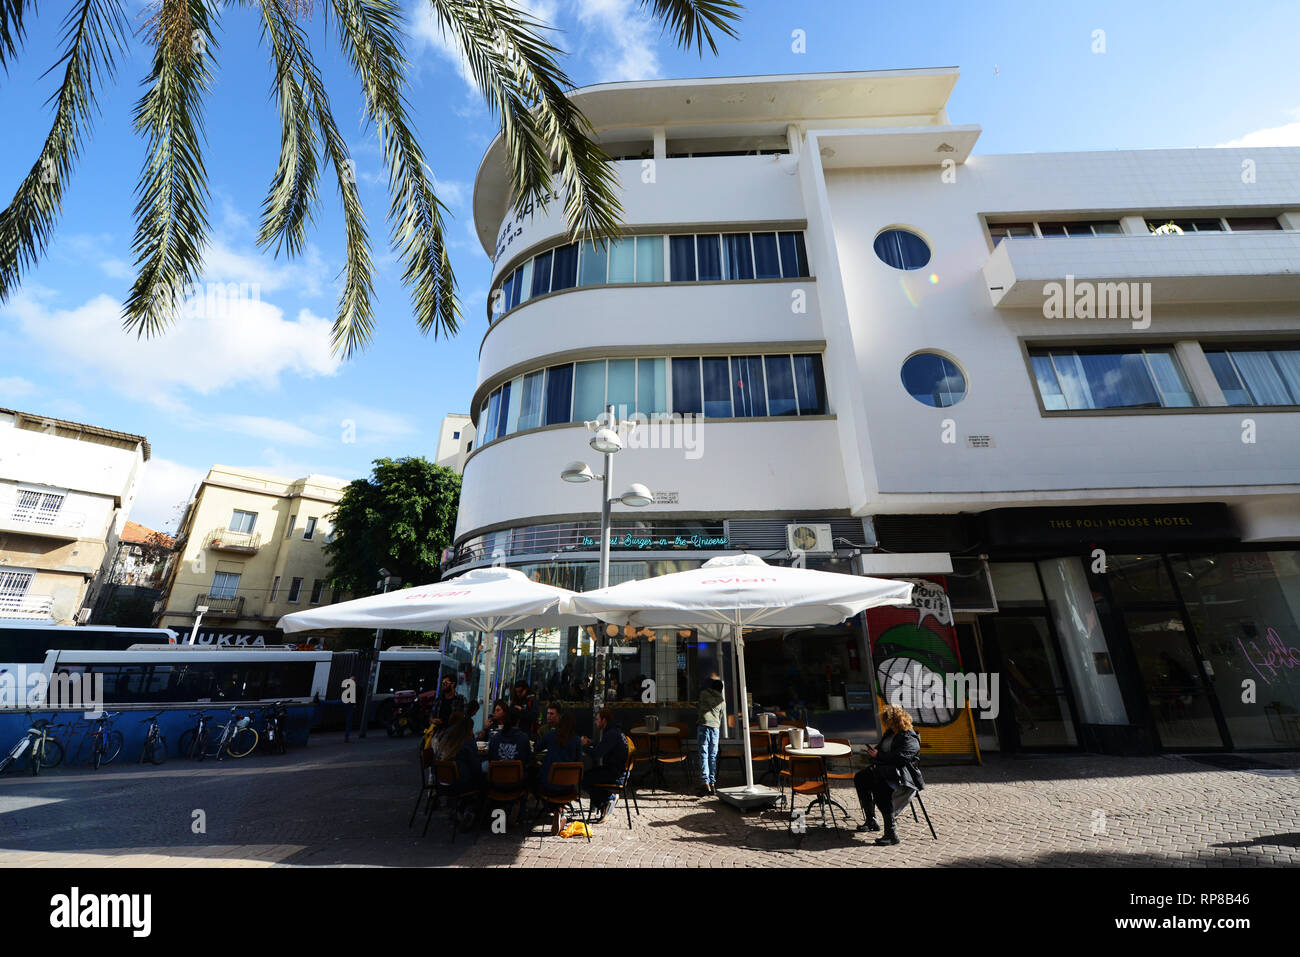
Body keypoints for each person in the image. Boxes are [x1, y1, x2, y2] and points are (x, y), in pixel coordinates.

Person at [854, 704, 925, 845]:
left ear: (896, 721)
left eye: (888, 722)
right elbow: (882, 752)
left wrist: (879, 755)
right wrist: (874, 754)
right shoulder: (890, 733)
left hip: (903, 777)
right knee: (861, 777)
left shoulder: (910, 738)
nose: (886, 725)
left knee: (881, 787)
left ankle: (891, 834)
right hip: (885, 771)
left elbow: (901, 759)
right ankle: (871, 820)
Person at [581, 708, 629, 823]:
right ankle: (606, 800)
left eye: (597, 719)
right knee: (589, 777)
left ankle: (607, 800)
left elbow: (597, 755)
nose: (595, 722)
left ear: (604, 720)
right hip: (616, 771)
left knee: (583, 779)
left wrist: (583, 747)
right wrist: (592, 744)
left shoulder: (611, 734)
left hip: (616, 775)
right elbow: (604, 748)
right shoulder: (613, 731)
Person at [535, 706, 582, 793]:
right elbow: (579, 761)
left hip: (549, 786)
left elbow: (536, 748)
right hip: (568, 787)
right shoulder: (577, 740)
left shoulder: (550, 735)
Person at [696, 676, 725, 796]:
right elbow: (720, 717)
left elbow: (698, 706)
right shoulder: (721, 700)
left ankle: (705, 783)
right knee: (712, 756)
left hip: (703, 725)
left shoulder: (703, 694)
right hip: (715, 728)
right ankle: (713, 784)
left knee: (703, 754)